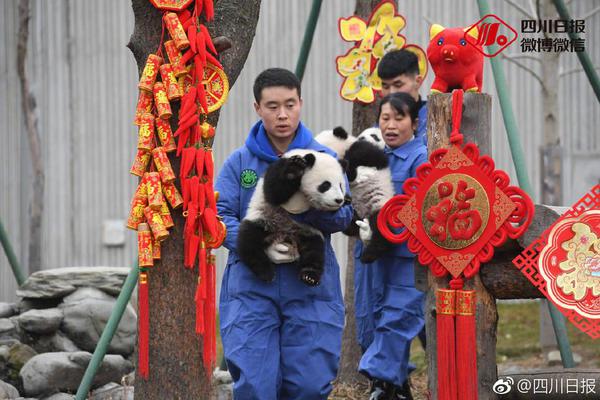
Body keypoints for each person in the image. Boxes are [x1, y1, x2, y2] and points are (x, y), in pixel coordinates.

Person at [215, 68, 353, 400]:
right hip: (251, 285)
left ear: (300, 103)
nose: (282, 114)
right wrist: (260, 245)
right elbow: (219, 218)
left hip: (309, 285)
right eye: (273, 106)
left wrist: (302, 210)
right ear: (257, 108)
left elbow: (345, 214)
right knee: (255, 385)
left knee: (309, 385)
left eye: (290, 104)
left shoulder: (323, 160)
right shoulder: (240, 163)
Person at [354, 93, 427, 400]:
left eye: (399, 118)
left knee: (397, 317)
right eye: (385, 118)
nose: (391, 125)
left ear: (415, 122)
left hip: (406, 258)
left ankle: (380, 377)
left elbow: (420, 209)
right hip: (374, 258)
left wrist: (383, 224)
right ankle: (391, 387)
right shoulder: (373, 155)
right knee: (372, 318)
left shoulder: (421, 158)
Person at [377, 49, 428, 144]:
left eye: (398, 85)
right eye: (385, 86)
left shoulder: (438, 118)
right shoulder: (377, 128)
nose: (391, 93)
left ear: (418, 81)